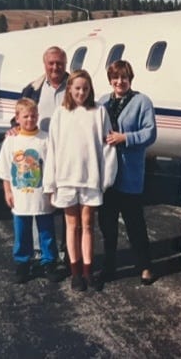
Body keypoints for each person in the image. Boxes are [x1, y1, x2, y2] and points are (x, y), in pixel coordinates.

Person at [43, 70, 118, 292]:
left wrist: (105, 180)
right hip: (66, 180)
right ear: (69, 89)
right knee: (71, 226)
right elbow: (52, 149)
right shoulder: (60, 113)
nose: (81, 92)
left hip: (90, 180)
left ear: (90, 89)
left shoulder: (99, 112)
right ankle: (75, 273)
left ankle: (88, 272)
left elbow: (108, 147)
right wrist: (50, 183)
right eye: (77, 88)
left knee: (87, 226)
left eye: (85, 88)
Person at [97, 60, 158, 287]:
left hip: (129, 175)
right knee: (107, 224)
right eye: (115, 77)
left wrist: (126, 138)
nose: (119, 82)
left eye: (124, 77)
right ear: (110, 79)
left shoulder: (142, 102)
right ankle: (110, 266)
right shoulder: (102, 101)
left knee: (135, 223)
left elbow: (150, 133)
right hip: (107, 176)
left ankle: (145, 266)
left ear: (130, 79)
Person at [8, 46, 69, 267]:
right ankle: (39, 254)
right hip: (41, 157)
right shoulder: (32, 89)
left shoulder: (75, 87)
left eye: (60, 63)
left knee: (67, 207)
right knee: (38, 204)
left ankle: (66, 252)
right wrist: (13, 129)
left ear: (65, 64)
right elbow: (19, 115)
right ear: (45, 65)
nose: (55, 67)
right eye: (51, 63)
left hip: (67, 157)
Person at [0, 98, 63, 284]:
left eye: (33, 116)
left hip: (42, 195)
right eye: (25, 116)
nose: (30, 120)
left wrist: (53, 191)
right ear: (17, 118)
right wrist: (7, 191)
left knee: (46, 231)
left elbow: (52, 167)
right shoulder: (11, 141)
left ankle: (49, 262)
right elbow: (6, 170)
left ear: (38, 116)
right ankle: (23, 262)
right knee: (21, 231)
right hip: (20, 196)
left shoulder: (45, 139)